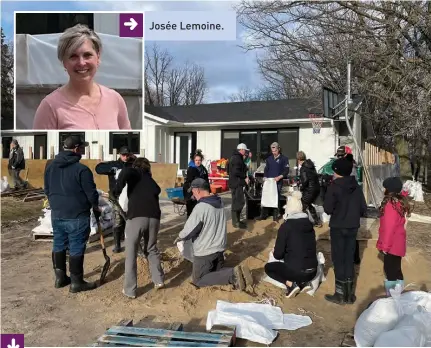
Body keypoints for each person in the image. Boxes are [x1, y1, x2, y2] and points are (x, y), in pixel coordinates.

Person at [33, 24, 132, 130]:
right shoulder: (50, 107)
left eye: (87, 55)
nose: (81, 63)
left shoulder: (115, 100)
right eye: (73, 56)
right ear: (64, 62)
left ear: (98, 57)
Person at [44, 135, 100, 293]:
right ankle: (76, 282)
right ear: (76, 149)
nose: (83, 150)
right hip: (77, 214)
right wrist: (95, 206)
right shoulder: (81, 170)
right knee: (76, 246)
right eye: (82, 148)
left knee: (59, 244)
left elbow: (47, 190)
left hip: (57, 214)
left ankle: (60, 278)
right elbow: (91, 193)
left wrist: (56, 204)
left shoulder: (50, 167)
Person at [175, 178, 253, 290]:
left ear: (197, 190)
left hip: (205, 252)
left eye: (193, 192)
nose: (193, 196)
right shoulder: (219, 202)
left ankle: (233, 274)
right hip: (219, 249)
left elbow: (190, 230)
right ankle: (237, 272)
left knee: (199, 280)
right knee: (216, 272)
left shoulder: (201, 207)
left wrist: (180, 237)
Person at [115, 158, 165, 298]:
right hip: (154, 218)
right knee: (151, 248)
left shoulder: (134, 174)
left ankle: (130, 290)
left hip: (137, 217)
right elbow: (157, 190)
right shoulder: (151, 181)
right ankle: (159, 280)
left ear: (136, 167)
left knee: (131, 252)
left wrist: (117, 189)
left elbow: (125, 171)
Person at [323, 157, 367, 305]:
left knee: (338, 259)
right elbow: (363, 209)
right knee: (349, 259)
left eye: (334, 171)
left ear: (338, 172)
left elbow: (328, 208)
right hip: (353, 227)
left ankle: (340, 294)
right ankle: (349, 295)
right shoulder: (356, 186)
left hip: (338, 227)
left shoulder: (334, 187)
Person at [264, 191, 318, 298]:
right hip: (312, 272)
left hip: (297, 271)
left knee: (269, 268)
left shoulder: (286, 227)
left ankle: (291, 284)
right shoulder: (309, 225)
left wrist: (277, 251)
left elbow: (278, 255)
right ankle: (303, 283)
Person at [95, 146, 136, 253]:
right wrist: (111, 170)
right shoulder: (114, 164)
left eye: (127, 155)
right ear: (119, 154)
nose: (125, 157)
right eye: (123, 155)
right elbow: (98, 168)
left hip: (131, 196)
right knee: (117, 220)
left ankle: (130, 241)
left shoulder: (133, 165)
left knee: (131, 220)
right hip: (116, 197)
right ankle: (117, 244)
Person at [377, 177, 410, 296]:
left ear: (388, 190)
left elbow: (389, 228)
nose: (383, 189)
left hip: (391, 244)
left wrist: (385, 247)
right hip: (398, 243)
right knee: (396, 269)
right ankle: (399, 291)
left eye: (384, 187)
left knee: (390, 270)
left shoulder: (390, 205)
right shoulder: (399, 202)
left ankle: (392, 297)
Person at [257, 142, 290, 221]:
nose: (273, 153)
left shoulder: (284, 159)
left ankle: (275, 216)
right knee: (266, 196)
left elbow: (286, 170)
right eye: (272, 151)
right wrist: (265, 176)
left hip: (278, 181)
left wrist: (280, 177)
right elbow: (266, 169)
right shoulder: (269, 159)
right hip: (269, 181)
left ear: (279, 149)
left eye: (275, 151)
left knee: (276, 197)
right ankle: (263, 215)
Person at [296, 151, 322, 227]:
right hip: (316, 189)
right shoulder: (311, 166)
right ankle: (317, 222)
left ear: (298, 159)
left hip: (310, 190)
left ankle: (306, 223)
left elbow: (305, 181)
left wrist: (301, 188)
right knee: (308, 204)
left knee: (302, 206)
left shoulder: (303, 168)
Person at [228, 143, 249, 229]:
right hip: (236, 183)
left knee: (238, 202)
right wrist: (244, 177)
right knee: (237, 202)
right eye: (245, 150)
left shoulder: (236, 157)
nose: (246, 152)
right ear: (241, 150)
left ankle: (237, 221)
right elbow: (236, 171)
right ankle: (236, 222)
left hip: (236, 183)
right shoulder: (237, 159)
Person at [183, 151, 209, 217]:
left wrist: (208, 192)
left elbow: (206, 181)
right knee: (191, 212)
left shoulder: (203, 169)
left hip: (201, 192)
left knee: (200, 212)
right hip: (191, 192)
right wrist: (192, 194)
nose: (198, 162)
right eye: (196, 160)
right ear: (194, 160)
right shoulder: (191, 169)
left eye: (199, 160)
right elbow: (189, 182)